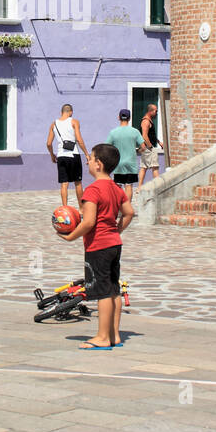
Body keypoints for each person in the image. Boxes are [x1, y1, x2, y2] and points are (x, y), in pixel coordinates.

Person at [58, 142, 134, 349]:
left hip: (98, 246)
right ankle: (114, 334)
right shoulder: (116, 188)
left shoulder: (91, 191)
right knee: (113, 289)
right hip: (114, 244)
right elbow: (129, 213)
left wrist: (71, 236)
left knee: (101, 292)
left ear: (98, 164)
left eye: (90, 158)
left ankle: (102, 337)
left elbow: (89, 222)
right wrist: (117, 230)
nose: (88, 161)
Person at [46, 103, 90, 207]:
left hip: (61, 156)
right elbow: (79, 140)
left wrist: (52, 155)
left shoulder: (54, 124)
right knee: (78, 183)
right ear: (71, 112)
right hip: (74, 154)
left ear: (61, 112)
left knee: (64, 184)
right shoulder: (74, 121)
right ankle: (81, 208)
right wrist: (87, 154)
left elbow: (48, 143)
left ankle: (65, 208)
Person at [105, 108, 146, 200]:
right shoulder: (135, 131)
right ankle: (128, 208)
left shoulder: (113, 132)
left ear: (118, 117)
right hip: (130, 164)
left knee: (118, 187)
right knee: (129, 186)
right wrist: (138, 150)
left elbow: (106, 146)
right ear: (129, 118)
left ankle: (119, 208)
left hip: (118, 163)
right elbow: (143, 147)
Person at [138, 104, 162, 187]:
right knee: (155, 167)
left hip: (147, 148)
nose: (156, 113)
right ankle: (158, 187)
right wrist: (150, 147)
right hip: (148, 148)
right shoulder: (146, 121)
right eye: (156, 111)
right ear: (150, 111)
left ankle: (139, 188)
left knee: (143, 167)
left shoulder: (149, 121)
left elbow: (152, 135)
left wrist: (159, 142)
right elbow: (144, 136)